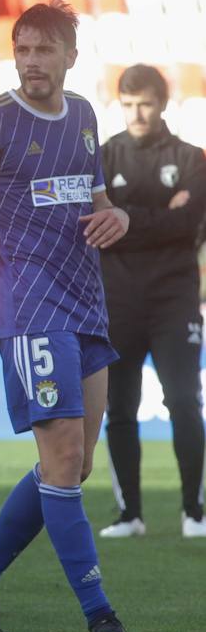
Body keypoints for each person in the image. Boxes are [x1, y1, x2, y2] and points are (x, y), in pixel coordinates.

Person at [0, 0, 134, 632]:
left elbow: (98, 200)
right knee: (61, 459)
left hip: (87, 307)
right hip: (31, 311)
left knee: (75, 466)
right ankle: (101, 617)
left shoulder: (83, 116)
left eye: (44, 50)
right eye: (22, 49)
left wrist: (122, 218)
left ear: (70, 56)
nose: (31, 61)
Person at [98, 64, 206, 539]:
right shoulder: (103, 156)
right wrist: (161, 216)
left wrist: (124, 221)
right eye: (128, 103)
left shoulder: (191, 159)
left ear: (163, 104)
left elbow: (188, 226)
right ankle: (130, 515)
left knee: (184, 401)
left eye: (145, 103)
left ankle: (194, 512)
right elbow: (96, 227)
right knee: (119, 408)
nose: (137, 112)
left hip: (174, 299)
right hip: (117, 301)